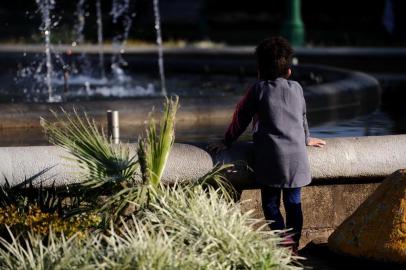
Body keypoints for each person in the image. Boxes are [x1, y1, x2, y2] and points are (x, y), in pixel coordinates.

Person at [209, 36, 326, 252]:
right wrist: (306, 138)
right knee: (293, 204)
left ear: (259, 70)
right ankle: (293, 247)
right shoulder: (298, 88)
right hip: (297, 159)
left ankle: (284, 243)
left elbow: (241, 118)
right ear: (288, 71)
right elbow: (302, 118)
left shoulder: (258, 89)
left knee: (271, 205)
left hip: (270, 158)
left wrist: (227, 141)